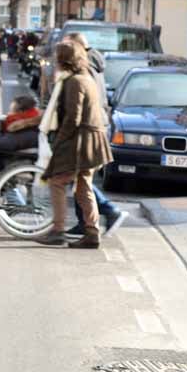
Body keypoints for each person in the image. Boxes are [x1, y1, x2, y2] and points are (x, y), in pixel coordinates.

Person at [38, 41, 113, 248]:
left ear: (63, 60)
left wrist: (59, 142)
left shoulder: (74, 82)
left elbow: (73, 118)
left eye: (57, 57)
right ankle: (92, 232)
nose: (54, 61)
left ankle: (58, 230)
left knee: (57, 181)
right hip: (91, 140)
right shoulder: (85, 78)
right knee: (83, 186)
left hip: (82, 141)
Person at [60, 32, 128, 238]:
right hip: (98, 125)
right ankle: (85, 223)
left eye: (66, 46)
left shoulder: (85, 68)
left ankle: (108, 211)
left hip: (89, 129)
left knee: (81, 179)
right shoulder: (94, 65)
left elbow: (78, 105)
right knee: (80, 179)